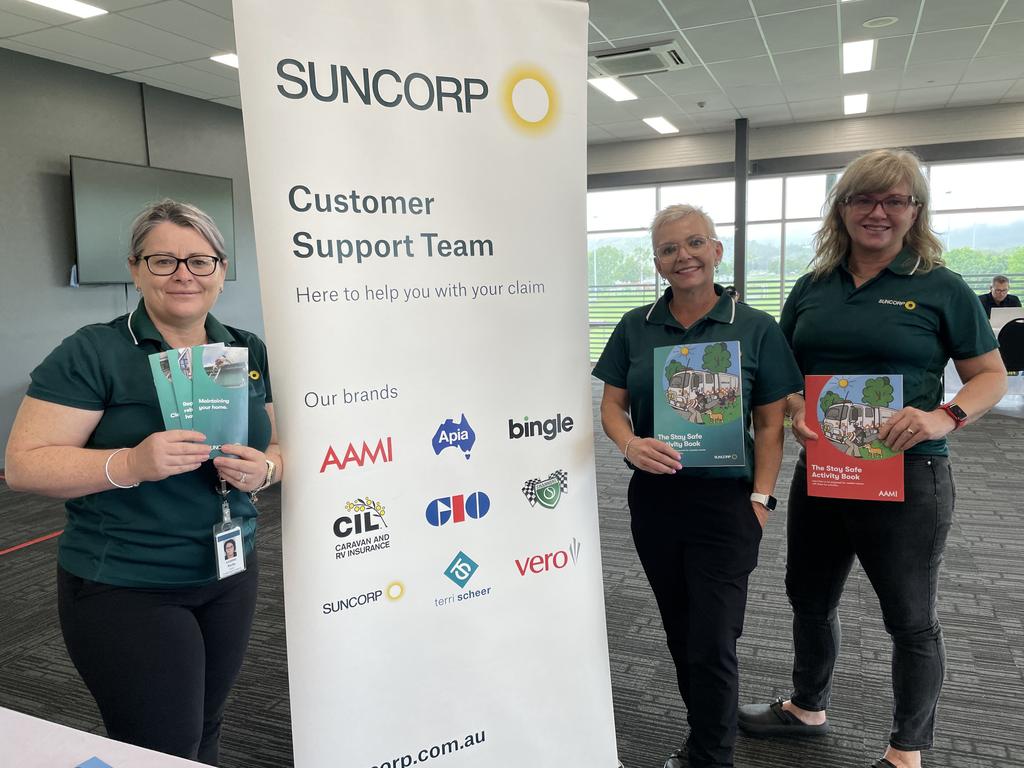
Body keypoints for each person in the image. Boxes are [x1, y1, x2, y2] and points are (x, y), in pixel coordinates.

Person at [738, 149, 1008, 768]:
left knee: (910, 618)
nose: (878, 212)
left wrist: (945, 415)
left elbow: (989, 375)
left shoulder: (940, 286)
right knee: (808, 597)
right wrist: (793, 409)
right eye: (864, 199)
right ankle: (808, 707)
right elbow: (787, 373)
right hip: (826, 468)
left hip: (909, 475)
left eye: (895, 200)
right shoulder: (812, 287)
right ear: (842, 208)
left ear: (916, 210)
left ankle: (906, 751)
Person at [4, 199, 283, 765]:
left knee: (206, 731)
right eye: (163, 260)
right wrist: (129, 463)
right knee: (160, 748)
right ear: (135, 268)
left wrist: (268, 467)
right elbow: (25, 465)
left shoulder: (246, 348)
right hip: (128, 585)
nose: (184, 274)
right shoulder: (95, 351)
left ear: (222, 270)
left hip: (229, 570)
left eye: (200, 261)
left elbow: (278, 443)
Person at [593, 204, 803, 768]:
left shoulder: (756, 328)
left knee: (713, 641)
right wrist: (630, 444)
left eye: (693, 243)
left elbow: (769, 423)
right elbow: (611, 405)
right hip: (656, 502)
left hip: (727, 505)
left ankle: (713, 756)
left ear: (716, 251)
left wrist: (761, 499)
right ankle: (704, 735)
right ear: (658, 262)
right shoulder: (636, 325)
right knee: (682, 633)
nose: (681, 256)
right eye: (667, 248)